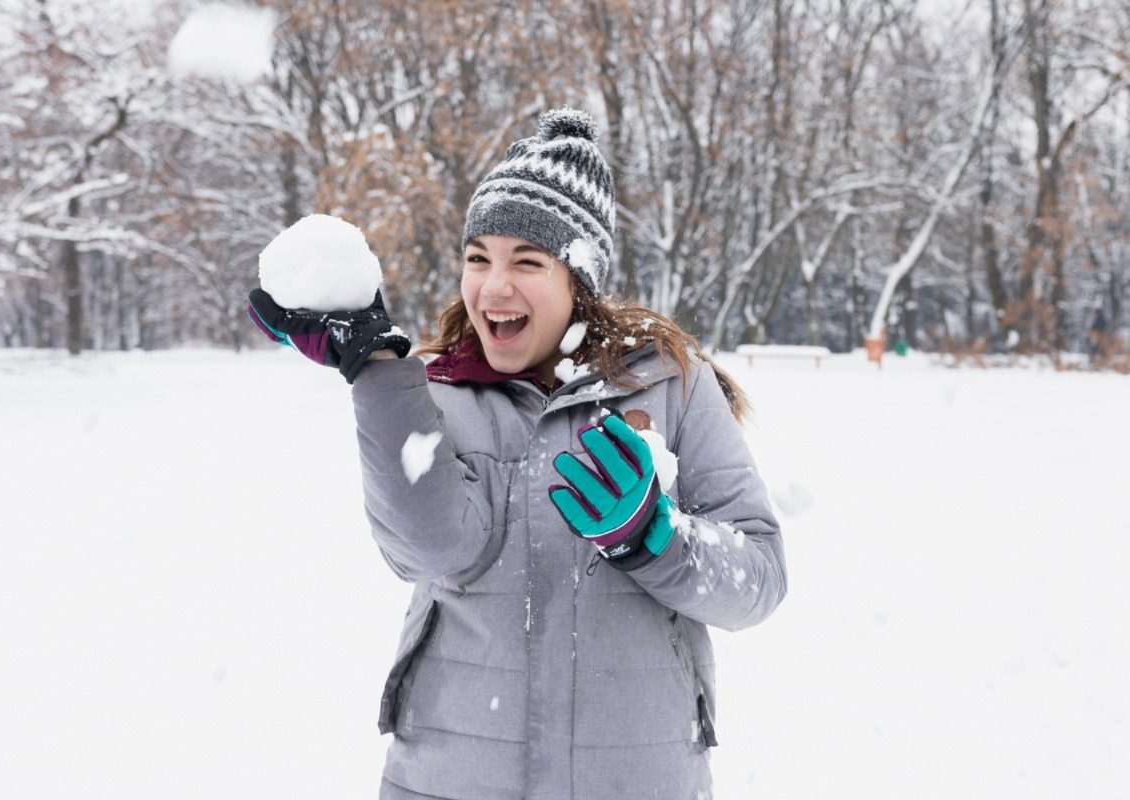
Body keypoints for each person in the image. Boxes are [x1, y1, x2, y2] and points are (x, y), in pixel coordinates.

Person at [247, 107, 787, 800]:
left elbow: (759, 580)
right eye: (479, 259)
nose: (493, 287)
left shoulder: (672, 385)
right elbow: (431, 549)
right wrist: (377, 372)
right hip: (451, 779)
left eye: (526, 262)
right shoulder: (439, 390)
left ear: (579, 282)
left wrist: (656, 538)